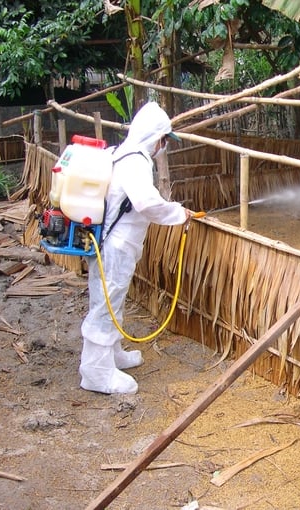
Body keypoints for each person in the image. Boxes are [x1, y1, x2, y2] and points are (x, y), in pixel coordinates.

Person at [79, 101, 193, 394]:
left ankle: (111, 354)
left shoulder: (122, 153)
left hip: (112, 240)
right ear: (154, 137)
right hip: (116, 244)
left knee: (108, 299)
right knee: (107, 303)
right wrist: (179, 213)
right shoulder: (136, 160)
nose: (163, 146)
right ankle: (96, 372)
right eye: (164, 139)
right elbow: (146, 202)